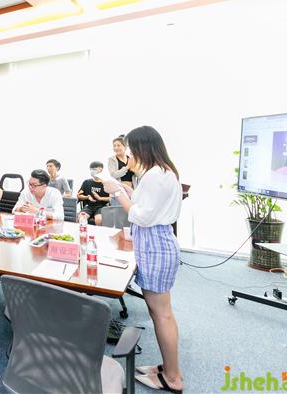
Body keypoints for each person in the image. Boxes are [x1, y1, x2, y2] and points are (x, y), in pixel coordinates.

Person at [103, 126, 183, 394]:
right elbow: (142, 204)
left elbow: (140, 215)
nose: (129, 154)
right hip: (155, 242)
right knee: (159, 312)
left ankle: (172, 377)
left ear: (142, 147)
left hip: (155, 244)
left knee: (162, 314)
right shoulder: (161, 172)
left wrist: (117, 192)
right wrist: (123, 188)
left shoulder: (155, 176)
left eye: (131, 149)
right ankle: (168, 367)